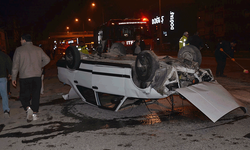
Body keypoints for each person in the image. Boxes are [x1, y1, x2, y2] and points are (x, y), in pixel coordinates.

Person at [12, 34, 50, 122]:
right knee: (36, 95)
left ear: (24, 40)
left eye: (21, 40)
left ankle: (28, 108)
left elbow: (15, 65)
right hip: (36, 76)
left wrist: (14, 77)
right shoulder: (38, 49)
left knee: (24, 95)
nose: (20, 41)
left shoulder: (19, 50)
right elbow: (47, 59)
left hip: (24, 77)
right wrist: (39, 66)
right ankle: (35, 114)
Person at [0, 47, 12, 118]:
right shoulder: (4, 55)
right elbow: (9, 64)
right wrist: (10, 73)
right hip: (2, 77)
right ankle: (6, 110)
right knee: (4, 94)